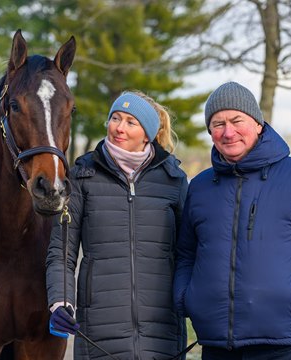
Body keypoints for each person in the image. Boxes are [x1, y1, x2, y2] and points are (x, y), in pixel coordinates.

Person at [173, 81, 291, 360]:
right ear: (210, 131)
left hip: (280, 344)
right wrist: (187, 298)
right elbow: (186, 253)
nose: (228, 132)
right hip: (216, 345)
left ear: (258, 124)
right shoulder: (200, 187)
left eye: (236, 120)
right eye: (218, 124)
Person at [46, 90, 189, 359]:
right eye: (115, 118)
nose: (119, 128)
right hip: (99, 332)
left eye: (130, 122)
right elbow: (61, 253)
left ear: (147, 134)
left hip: (162, 334)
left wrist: (189, 300)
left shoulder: (174, 180)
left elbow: (187, 253)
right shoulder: (82, 177)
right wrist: (61, 302)